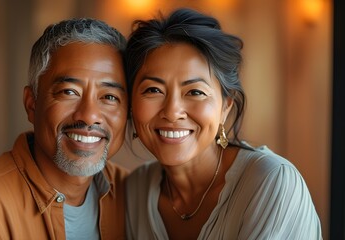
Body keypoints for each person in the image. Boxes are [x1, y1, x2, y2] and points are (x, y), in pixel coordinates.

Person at [124, 8, 322, 239]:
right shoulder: (134, 190)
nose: (172, 111)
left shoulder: (272, 182)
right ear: (130, 103)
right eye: (153, 90)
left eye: (195, 92)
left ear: (225, 107)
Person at [0, 18, 128, 239]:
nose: (89, 115)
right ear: (32, 104)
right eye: (69, 92)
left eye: (109, 96)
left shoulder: (135, 192)